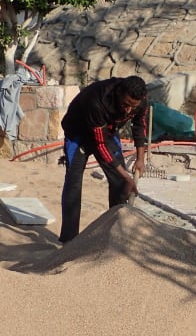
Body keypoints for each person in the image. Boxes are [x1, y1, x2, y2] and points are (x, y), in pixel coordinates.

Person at [59, 75, 149, 243]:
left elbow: (139, 126)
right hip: (78, 133)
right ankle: (69, 241)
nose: (128, 110)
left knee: (120, 184)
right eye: (125, 105)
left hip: (106, 131)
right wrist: (127, 176)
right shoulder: (98, 100)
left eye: (133, 106)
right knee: (73, 183)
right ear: (118, 93)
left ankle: (114, 236)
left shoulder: (140, 101)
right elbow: (101, 146)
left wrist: (140, 158)